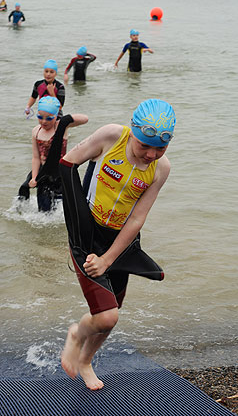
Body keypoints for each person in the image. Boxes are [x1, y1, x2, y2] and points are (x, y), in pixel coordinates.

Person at [59, 98, 176, 390]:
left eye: (160, 148)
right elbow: (68, 163)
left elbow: (137, 219)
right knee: (107, 316)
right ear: (132, 133)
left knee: (110, 315)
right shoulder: (111, 136)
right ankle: (75, 334)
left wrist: (109, 259)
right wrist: (75, 222)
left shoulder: (161, 168)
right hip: (87, 235)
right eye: (144, 145)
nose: (151, 154)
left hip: (121, 243)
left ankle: (86, 360)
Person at [18, 96, 88, 212]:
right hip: (43, 172)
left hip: (59, 172)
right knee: (43, 209)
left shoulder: (61, 128)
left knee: (62, 204)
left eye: (49, 118)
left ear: (56, 116)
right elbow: (36, 157)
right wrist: (34, 177)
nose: (44, 121)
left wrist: (64, 119)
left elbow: (85, 119)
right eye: (40, 117)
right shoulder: (36, 131)